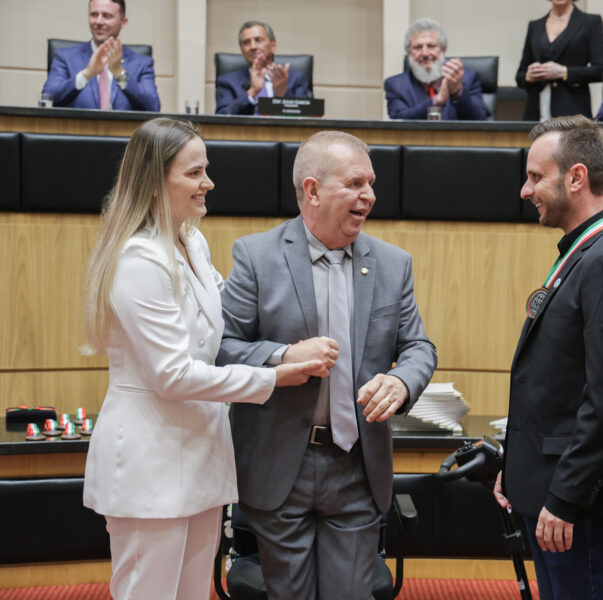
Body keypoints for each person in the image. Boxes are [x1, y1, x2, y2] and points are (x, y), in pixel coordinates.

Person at [80, 117, 322, 599]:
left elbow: (231, 318)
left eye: (205, 170)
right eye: (194, 173)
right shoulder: (137, 261)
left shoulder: (192, 241)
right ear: (155, 180)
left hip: (201, 454)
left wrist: (283, 350)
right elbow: (172, 375)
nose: (207, 182)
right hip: (149, 464)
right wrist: (271, 378)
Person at [217, 131, 437, 599]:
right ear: (312, 190)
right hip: (280, 466)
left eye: (372, 184)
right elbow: (220, 349)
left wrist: (401, 380)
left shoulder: (393, 264)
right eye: (356, 183)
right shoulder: (256, 256)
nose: (370, 196)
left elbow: (419, 347)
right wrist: (280, 357)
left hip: (356, 466)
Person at [493, 115, 603, 599]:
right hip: (556, 492)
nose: (526, 190)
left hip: (578, 504)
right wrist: (519, 465)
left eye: (536, 176)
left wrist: (565, 497)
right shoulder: (585, 255)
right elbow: (556, 384)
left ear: (576, 177)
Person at [41, 0, 160, 111]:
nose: (98, 21)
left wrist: (119, 73)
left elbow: (153, 107)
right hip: (78, 130)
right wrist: (86, 74)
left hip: (124, 132)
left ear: (123, 22)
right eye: (94, 15)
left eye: (106, 16)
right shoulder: (65, 57)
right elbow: (48, 99)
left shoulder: (142, 63)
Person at [515, 0, 603, 121]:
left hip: (572, 109)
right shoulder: (535, 25)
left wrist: (563, 72)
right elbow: (519, 75)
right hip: (536, 109)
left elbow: (600, 70)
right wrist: (529, 76)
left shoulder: (590, 22)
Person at [384, 18, 486, 120]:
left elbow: (481, 122)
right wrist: (437, 100)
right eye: (418, 47)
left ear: (443, 50)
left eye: (431, 46)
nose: (425, 53)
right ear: (409, 52)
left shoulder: (468, 79)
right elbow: (399, 121)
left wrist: (457, 92)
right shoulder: (395, 85)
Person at [215, 21, 311, 115]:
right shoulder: (228, 82)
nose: (252, 47)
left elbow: (307, 118)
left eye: (258, 40)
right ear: (242, 50)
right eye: (246, 42)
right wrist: (252, 92)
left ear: (273, 45)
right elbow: (222, 118)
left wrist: (282, 96)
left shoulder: (296, 78)